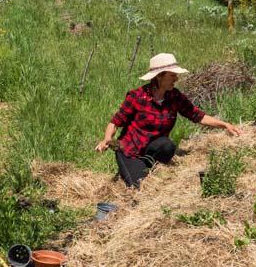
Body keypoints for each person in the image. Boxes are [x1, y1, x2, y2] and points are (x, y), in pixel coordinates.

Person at [96, 53, 241, 188]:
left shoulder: (174, 96)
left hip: (152, 148)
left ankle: (148, 165)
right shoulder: (137, 96)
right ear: (159, 76)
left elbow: (197, 115)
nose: (176, 79)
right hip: (129, 150)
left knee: (168, 146)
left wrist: (224, 125)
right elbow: (115, 122)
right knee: (140, 186)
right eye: (172, 75)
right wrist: (107, 139)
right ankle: (132, 169)